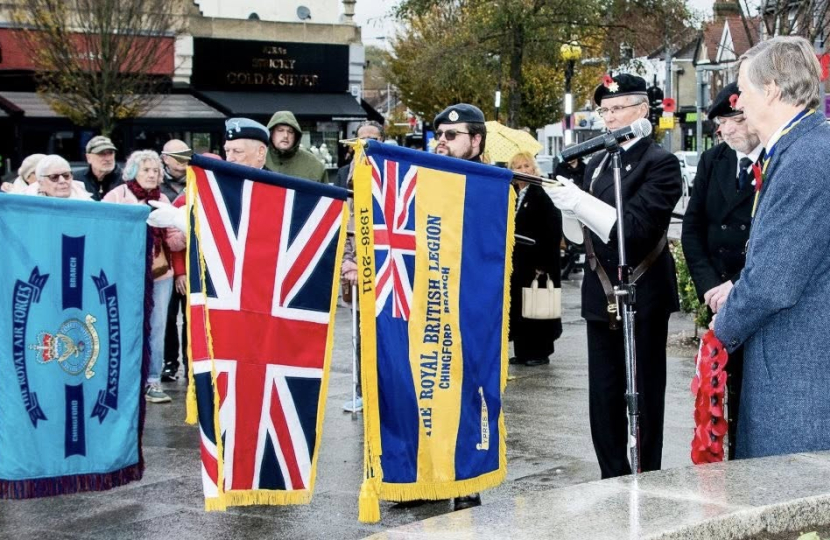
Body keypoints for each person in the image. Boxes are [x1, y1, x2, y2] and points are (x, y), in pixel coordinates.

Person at [545, 74, 682, 479]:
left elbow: (636, 230)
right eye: (604, 110)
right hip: (600, 288)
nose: (608, 118)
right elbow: (582, 233)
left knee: (643, 390)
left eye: (617, 109)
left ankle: (645, 473)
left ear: (642, 111)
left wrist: (580, 201)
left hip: (643, 289)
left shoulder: (661, 163)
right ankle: (612, 476)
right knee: (603, 394)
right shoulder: (600, 160)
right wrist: (568, 202)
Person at [713, 36, 830, 459]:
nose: (738, 99)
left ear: (773, 90)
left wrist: (719, 333)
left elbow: (773, 284)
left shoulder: (807, 157)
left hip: (800, 386)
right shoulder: (799, 148)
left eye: (744, 87)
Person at [681, 82, 762, 459]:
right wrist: (711, 286)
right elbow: (692, 228)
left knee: (753, 396)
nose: (724, 131)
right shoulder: (715, 161)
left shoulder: (776, 159)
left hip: (754, 297)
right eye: (720, 125)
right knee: (718, 396)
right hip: (718, 298)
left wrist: (736, 287)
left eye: (732, 121)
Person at [433, 102, 489, 511]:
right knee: (428, 385)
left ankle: (467, 476)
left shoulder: (493, 182)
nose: (443, 143)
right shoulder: (428, 175)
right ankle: (425, 476)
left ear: (476, 140)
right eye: (439, 136)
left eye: (452, 136)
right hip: (433, 297)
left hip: (473, 302)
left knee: (470, 388)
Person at [104, 150, 185, 404]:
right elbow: (103, 233)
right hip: (125, 274)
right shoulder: (117, 196)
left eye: (155, 171)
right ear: (132, 172)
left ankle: (152, 381)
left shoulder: (162, 198)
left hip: (160, 275)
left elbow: (173, 241)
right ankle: (125, 381)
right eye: (146, 170)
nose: (151, 175)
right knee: (125, 326)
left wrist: (187, 229)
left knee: (157, 327)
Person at [507, 151, 562, 366]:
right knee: (521, 307)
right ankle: (522, 351)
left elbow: (551, 230)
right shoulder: (511, 193)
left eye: (526, 166)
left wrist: (543, 264)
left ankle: (540, 352)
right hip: (518, 262)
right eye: (518, 166)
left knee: (539, 306)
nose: (523, 171)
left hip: (538, 262)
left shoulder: (541, 194)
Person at [159, 139, 191, 382]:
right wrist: (179, 270)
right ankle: (170, 362)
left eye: (185, 155)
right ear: (165, 158)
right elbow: (171, 236)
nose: (182, 160)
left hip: (190, 266)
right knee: (168, 317)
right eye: (176, 155)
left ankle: (192, 364)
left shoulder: (195, 182)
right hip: (166, 265)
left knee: (191, 317)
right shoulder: (157, 185)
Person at [265, 110, 327, 182]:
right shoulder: (256, 158)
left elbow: (325, 192)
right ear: (271, 133)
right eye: (280, 130)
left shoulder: (314, 165)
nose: (285, 135)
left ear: (296, 136)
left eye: (290, 131)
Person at [336, 121, 385, 189]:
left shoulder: (392, 171)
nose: (366, 143)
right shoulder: (344, 173)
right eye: (362, 140)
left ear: (382, 140)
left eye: (372, 140)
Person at [21, 155, 92, 200]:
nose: (62, 181)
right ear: (41, 183)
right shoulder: (25, 204)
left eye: (66, 175)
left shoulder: (87, 202)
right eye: (54, 177)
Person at [81, 135, 123, 201]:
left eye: (110, 153)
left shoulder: (127, 180)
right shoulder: (76, 180)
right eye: (101, 154)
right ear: (88, 158)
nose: (108, 158)